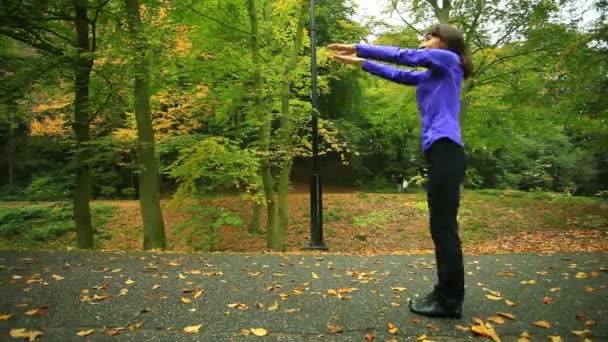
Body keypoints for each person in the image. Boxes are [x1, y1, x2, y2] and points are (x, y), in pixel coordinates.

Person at [328, 24, 472, 319]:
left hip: (447, 149)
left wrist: (360, 47)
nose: (424, 42)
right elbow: (399, 74)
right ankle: (445, 292)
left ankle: (449, 299)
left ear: (448, 43)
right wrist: (361, 63)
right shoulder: (435, 75)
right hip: (439, 152)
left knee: (444, 227)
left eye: (430, 37)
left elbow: (405, 57)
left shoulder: (448, 60)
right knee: (440, 226)